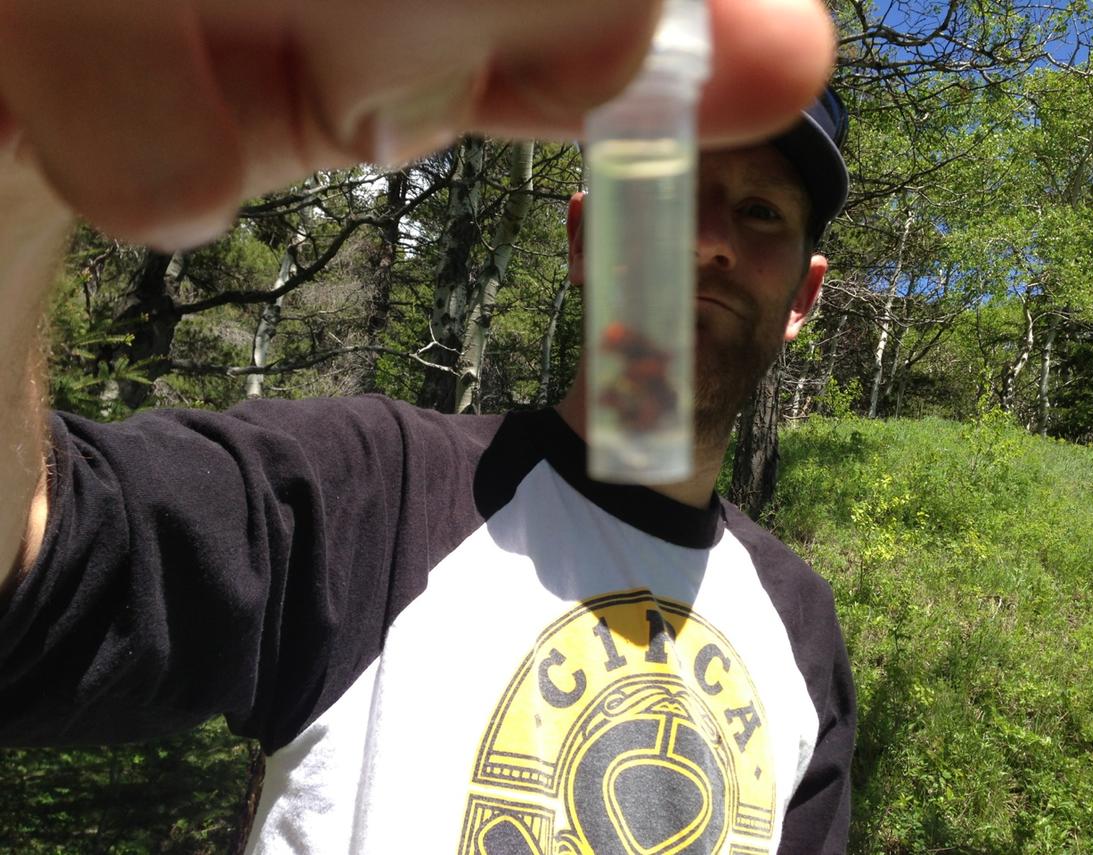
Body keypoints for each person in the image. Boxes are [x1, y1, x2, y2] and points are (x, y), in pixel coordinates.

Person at [0, 1, 854, 852]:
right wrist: (18, 188)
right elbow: (43, 565)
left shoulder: (802, 629)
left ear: (804, 298)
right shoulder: (370, 495)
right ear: (587, 239)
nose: (709, 240)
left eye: (761, 213)